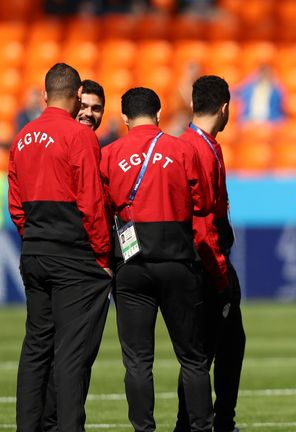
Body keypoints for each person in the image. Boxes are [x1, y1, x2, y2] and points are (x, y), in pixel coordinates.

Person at [100, 87, 215, 432]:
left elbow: (99, 209)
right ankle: (200, 428)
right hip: (177, 261)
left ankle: (143, 429)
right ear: (160, 112)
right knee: (193, 358)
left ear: (123, 117)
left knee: (137, 361)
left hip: (131, 264)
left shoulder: (109, 154)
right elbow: (204, 203)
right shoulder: (182, 149)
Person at [8, 62, 113, 432]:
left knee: (36, 345)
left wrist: (35, 236)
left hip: (34, 251)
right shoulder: (80, 136)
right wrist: (102, 256)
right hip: (73, 257)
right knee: (70, 353)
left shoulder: (22, 136)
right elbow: (91, 203)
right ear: (75, 95)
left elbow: (15, 204)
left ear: (44, 95)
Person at [175, 75, 246, 432]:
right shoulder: (198, 150)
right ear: (225, 108)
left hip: (204, 259)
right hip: (206, 263)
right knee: (210, 348)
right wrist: (220, 274)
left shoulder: (194, 144)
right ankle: (207, 422)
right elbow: (202, 221)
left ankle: (197, 421)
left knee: (210, 347)